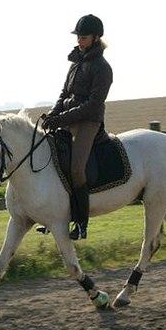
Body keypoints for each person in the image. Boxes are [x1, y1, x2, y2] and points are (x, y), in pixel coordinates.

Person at [42, 14, 113, 240]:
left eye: (83, 37)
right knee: (51, 158)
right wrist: (53, 116)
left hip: (88, 122)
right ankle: (53, 215)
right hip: (68, 119)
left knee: (76, 170)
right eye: (79, 37)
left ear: (95, 38)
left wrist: (61, 119)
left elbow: (92, 105)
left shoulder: (102, 68)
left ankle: (81, 223)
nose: (79, 41)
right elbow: (64, 94)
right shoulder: (76, 64)